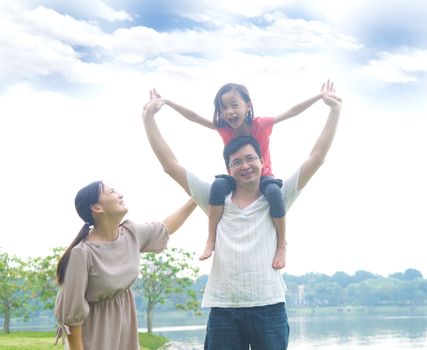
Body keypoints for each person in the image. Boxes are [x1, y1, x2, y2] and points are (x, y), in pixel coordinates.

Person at [142, 80, 341, 350]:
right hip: (224, 309)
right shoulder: (216, 198)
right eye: (236, 162)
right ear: (228, 168)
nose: (244, 166)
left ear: (262, 161)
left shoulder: (277, 197)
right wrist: (149, 118)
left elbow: (316, 158)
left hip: (269, 307)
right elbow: (170, 165)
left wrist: (333, 111)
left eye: (250, 159)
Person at [150, 83, 327, 269]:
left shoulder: (261, 124)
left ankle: (282, 244)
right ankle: (211, 239)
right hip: (236, 178)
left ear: (248, 106)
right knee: (217, 187)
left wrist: (319, 97)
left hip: (263, 176)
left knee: (274, 192)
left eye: (234, 105)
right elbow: (194, 117)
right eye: (223, 107)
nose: (229, 112)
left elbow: (292, 112)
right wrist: (167, 102)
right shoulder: (224, 128)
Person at [54, 181, 197, 350]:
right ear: (97, 207)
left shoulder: (130, 233)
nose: (120, 195)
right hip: (94, 336)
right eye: (112, 191)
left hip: (125, 330)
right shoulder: (82, 253)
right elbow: (72, 318)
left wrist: (197, 197)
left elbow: (165, 228)